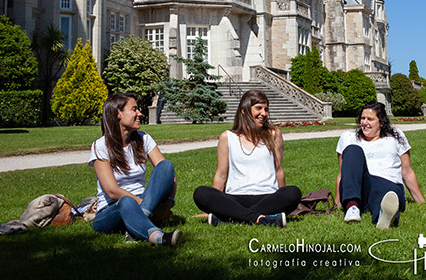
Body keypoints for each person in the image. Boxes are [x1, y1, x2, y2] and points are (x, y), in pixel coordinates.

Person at [193, 89, 301, 226]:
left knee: (293, 193)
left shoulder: (274, 134)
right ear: (244, 111)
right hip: (235, 197)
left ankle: (228, 216)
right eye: (258, 108)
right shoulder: (227, 137)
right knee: (201, 193)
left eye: (266, 109)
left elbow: (278, 169)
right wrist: (212, 206)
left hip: (267, 196)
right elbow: (221, 175)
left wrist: (283, 197)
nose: (264, 113)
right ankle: (262, 219)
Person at [89, 93, 181, 246]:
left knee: (166, 165)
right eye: (134, 109)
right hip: (113, 209)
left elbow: (169, 175)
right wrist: (144, 205)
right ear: (118, 113)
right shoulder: (100, 146)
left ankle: (139, 221)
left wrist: (168, 203)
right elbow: (112, 191)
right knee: (126, 202)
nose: (140, 113)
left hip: (144, 200)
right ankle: (160, 238)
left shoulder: (144, 139)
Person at [336, 101, 426, 229]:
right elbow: (343, 174)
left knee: (385, 190)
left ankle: (383, 217)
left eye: (370, 119)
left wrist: (421, 201)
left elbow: (407, 171)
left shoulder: (395, 136)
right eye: (363, 118)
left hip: (390, 185)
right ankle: (352, 206)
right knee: (352, 150)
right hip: (363, 188)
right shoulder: (348, 138)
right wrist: (338, 202)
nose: (365, 123)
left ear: (382, 122)